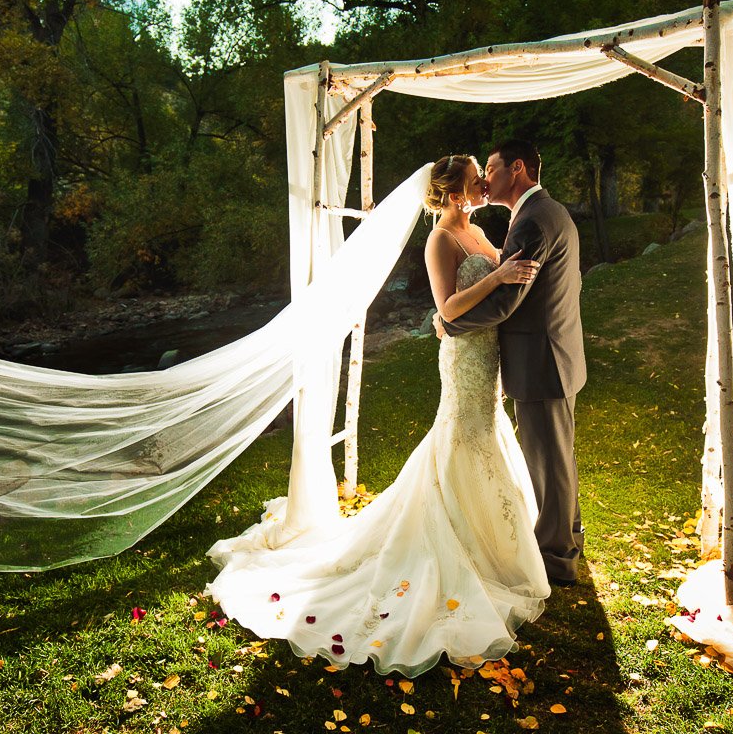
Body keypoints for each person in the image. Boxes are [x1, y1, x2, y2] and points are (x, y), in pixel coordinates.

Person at [205, 155, 551, 677]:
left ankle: (492, 541)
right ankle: (455, 540)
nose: (484, 182)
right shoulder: (441, 241)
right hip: (464, 356)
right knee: (461, 435)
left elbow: (489, 297)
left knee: (484, 432)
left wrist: (505, 277)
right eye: (477, 176)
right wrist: (499, 274)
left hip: (489, 354)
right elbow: (449, 307)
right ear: (456, 191)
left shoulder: (480, 231)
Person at [435, 139, 587, 587]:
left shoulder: (532, 223)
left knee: (550, 464)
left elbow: (506, 303)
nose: (485, 179)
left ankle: (558, 559)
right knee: (557, 459)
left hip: (541, 361)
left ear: (516, 169)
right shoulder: (544, 212)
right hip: (552, 355)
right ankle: (567, 537)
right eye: (478, 174)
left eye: (492, 170)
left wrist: (451, 325)